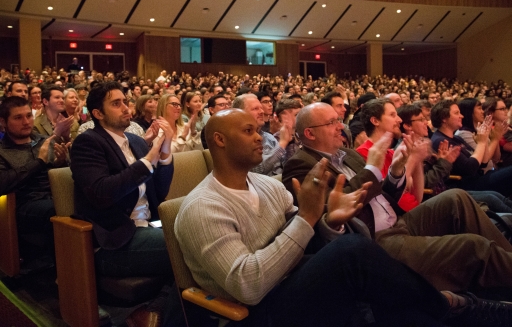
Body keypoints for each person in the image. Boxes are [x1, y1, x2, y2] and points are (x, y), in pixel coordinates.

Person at [174, 108, 511, 327]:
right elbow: (248, 286)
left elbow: (304, 239)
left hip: (293, 283)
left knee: (377, 284)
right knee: (354, 252)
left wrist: (329, 222)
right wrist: (308, 218)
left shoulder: (265, 184)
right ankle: (457, 307)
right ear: (218, 140)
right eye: (249, 131)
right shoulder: (203, 208)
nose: (261, 138)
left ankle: (456, 310)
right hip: (255, 312)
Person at [283, 102, 512, 297]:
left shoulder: (348, 155)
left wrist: (396, 171)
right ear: (310, 134)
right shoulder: (300, 165)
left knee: (457, 198)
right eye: (331, 123)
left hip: (397, 220)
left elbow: (382, 193)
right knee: (473, 246)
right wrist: (372, 167)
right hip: (374, 240)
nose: (340, 126)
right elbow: (329, 210)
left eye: (338, 120)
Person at [70, 82, 175, 326]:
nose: (126, 108)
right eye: (116, 104)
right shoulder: (89, 143)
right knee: (187, 240)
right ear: (98, 113)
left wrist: (166, 149)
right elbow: (102, 193)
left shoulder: (135, 142)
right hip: (116, 241)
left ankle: (161, 307)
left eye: (125, 102)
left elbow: (160, 191)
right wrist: (149, 159)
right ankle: (161, 308)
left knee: (197, 229)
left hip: (148, 225)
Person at [0, 96, 69, 264]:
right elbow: (3, 182)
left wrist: (62, 163)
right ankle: (67, 269)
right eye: (18, 118)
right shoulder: (2, 150)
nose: (26, 122)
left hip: (55, 195)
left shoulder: (44, 140)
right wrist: (38, 163)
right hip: (24, 205)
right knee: (58, 209)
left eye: (28, 116)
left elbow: (59, 174)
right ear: (3, 122)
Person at [431, 100, 512, 197]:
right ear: (444, 118)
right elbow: (470, 168)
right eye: (457, 113)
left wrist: (485, 138)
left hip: (480, 177)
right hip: (466, 185)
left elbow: (483, 162)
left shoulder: (456, 138)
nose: (462, 116)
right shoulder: (441, 141)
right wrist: (482, 142)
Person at [232, 94, 293, 176]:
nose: (262, 112)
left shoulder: (269, 137)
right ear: (240, 113)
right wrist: (282, 144)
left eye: (261, 108)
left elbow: (285, 164)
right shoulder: (237, 139)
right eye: (255, 109)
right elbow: (257, 170)